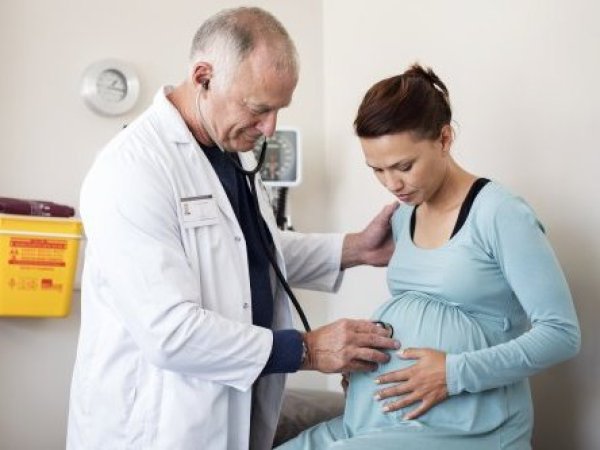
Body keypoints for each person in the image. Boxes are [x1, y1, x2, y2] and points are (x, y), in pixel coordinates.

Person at [66, 7, 400, 450]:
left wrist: (355, 249)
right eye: (259, 108)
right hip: (155, 426)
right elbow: (170, 332)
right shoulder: (131, 170)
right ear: (204, 76)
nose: (270, 128)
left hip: (232, 408)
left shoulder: (230, 151)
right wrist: (306, 349)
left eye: (278, 110)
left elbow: (248, 253)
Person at [276, 64, 581, 450]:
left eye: (404, 166)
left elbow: (561, 334)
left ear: (444, 138)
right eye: (378, 170)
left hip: (467, 428)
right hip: (372, 420)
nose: (393, 184)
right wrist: (369, 366)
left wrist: (453, 373)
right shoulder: (405, 215)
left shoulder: (500, 213)